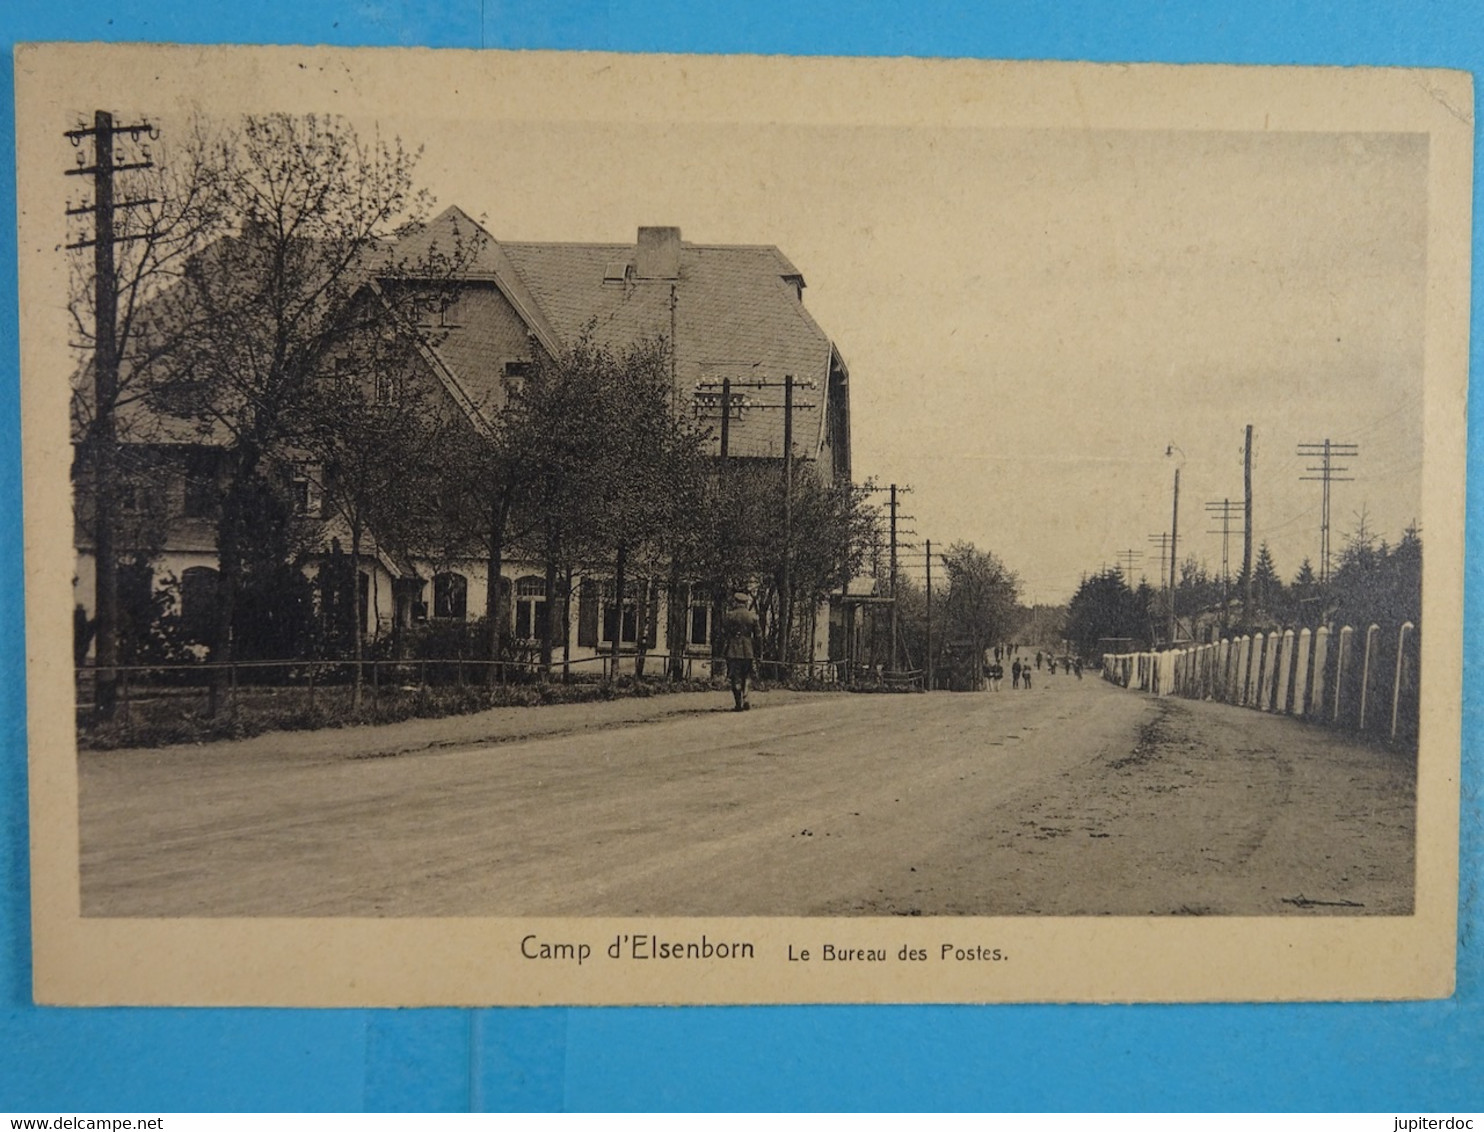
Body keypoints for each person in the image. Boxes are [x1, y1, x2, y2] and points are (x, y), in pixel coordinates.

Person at [720, 591, 762, 711]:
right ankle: (746, 698)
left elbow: (724, 633)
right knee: (747, 675)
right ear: (745, 603)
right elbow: (758, 636)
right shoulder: (752, 617)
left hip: (733, 650)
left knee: (735, 677)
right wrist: (758, 651)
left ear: (736, 602)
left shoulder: (730, 616)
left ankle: (738, 704)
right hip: (748, 650)